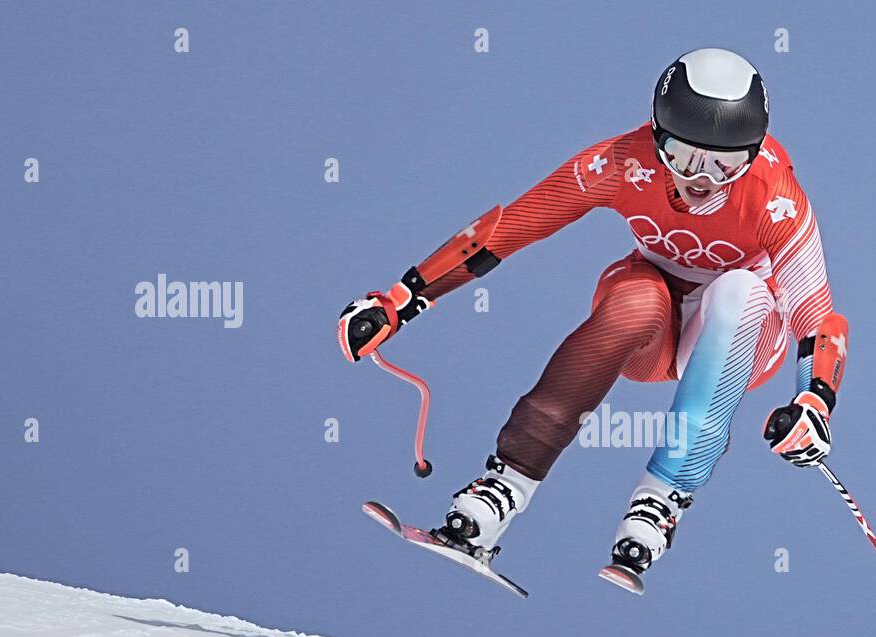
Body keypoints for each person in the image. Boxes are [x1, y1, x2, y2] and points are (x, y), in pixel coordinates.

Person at [339, 48, 848, 592]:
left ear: (752, 154)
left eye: (726, 164)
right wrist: (403, 298)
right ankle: (502, 488)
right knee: (636, 298)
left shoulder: (776, 199)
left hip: (741, 337)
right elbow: (512, 227)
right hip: (651, 332)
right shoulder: (621, 163)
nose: (702, 179)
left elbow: (815, 316)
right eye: (683, 155)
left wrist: (814, 401)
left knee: (741, 290)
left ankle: (659, 503)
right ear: (655, 136)